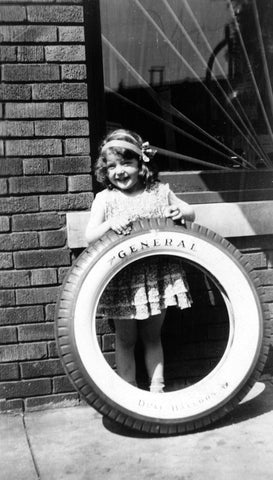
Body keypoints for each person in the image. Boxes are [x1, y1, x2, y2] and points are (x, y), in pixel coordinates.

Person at [85, 129, 195, 393]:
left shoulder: (158, 192)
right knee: (125, 339)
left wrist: (180, 211)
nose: (119, 171)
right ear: (104, 170)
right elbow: (90, 235)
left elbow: (191, 211)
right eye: (111, 166)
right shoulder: (105, 199)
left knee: (152, 336)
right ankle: (129, 392)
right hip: (124, 279)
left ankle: (158, 389)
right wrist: (110, 223)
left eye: (126, 163)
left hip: (157, 276)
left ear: (141, 163)